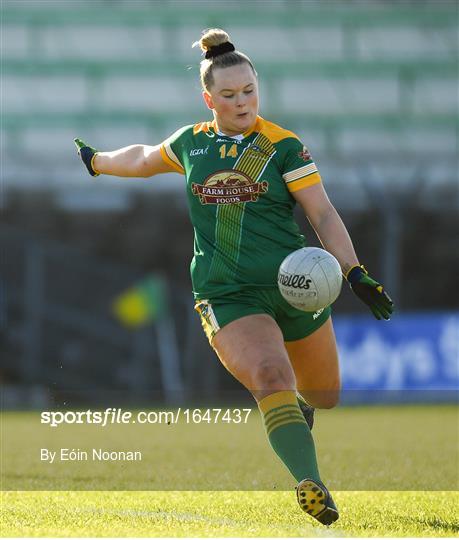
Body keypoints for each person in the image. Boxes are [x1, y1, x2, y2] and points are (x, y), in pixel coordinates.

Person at [74, 28, 393, 526]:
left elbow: (323, 214)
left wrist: (354, 273)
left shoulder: (283, 146)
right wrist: (97, 162)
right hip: (228, 294)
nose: (242, 101)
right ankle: (311, 482)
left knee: (326, 396)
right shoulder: (191, 144)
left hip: (298, 291)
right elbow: (140, 158)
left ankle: (298, 413)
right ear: (208, 99)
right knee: (270, 376)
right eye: (228, 94)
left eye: (249, 91)